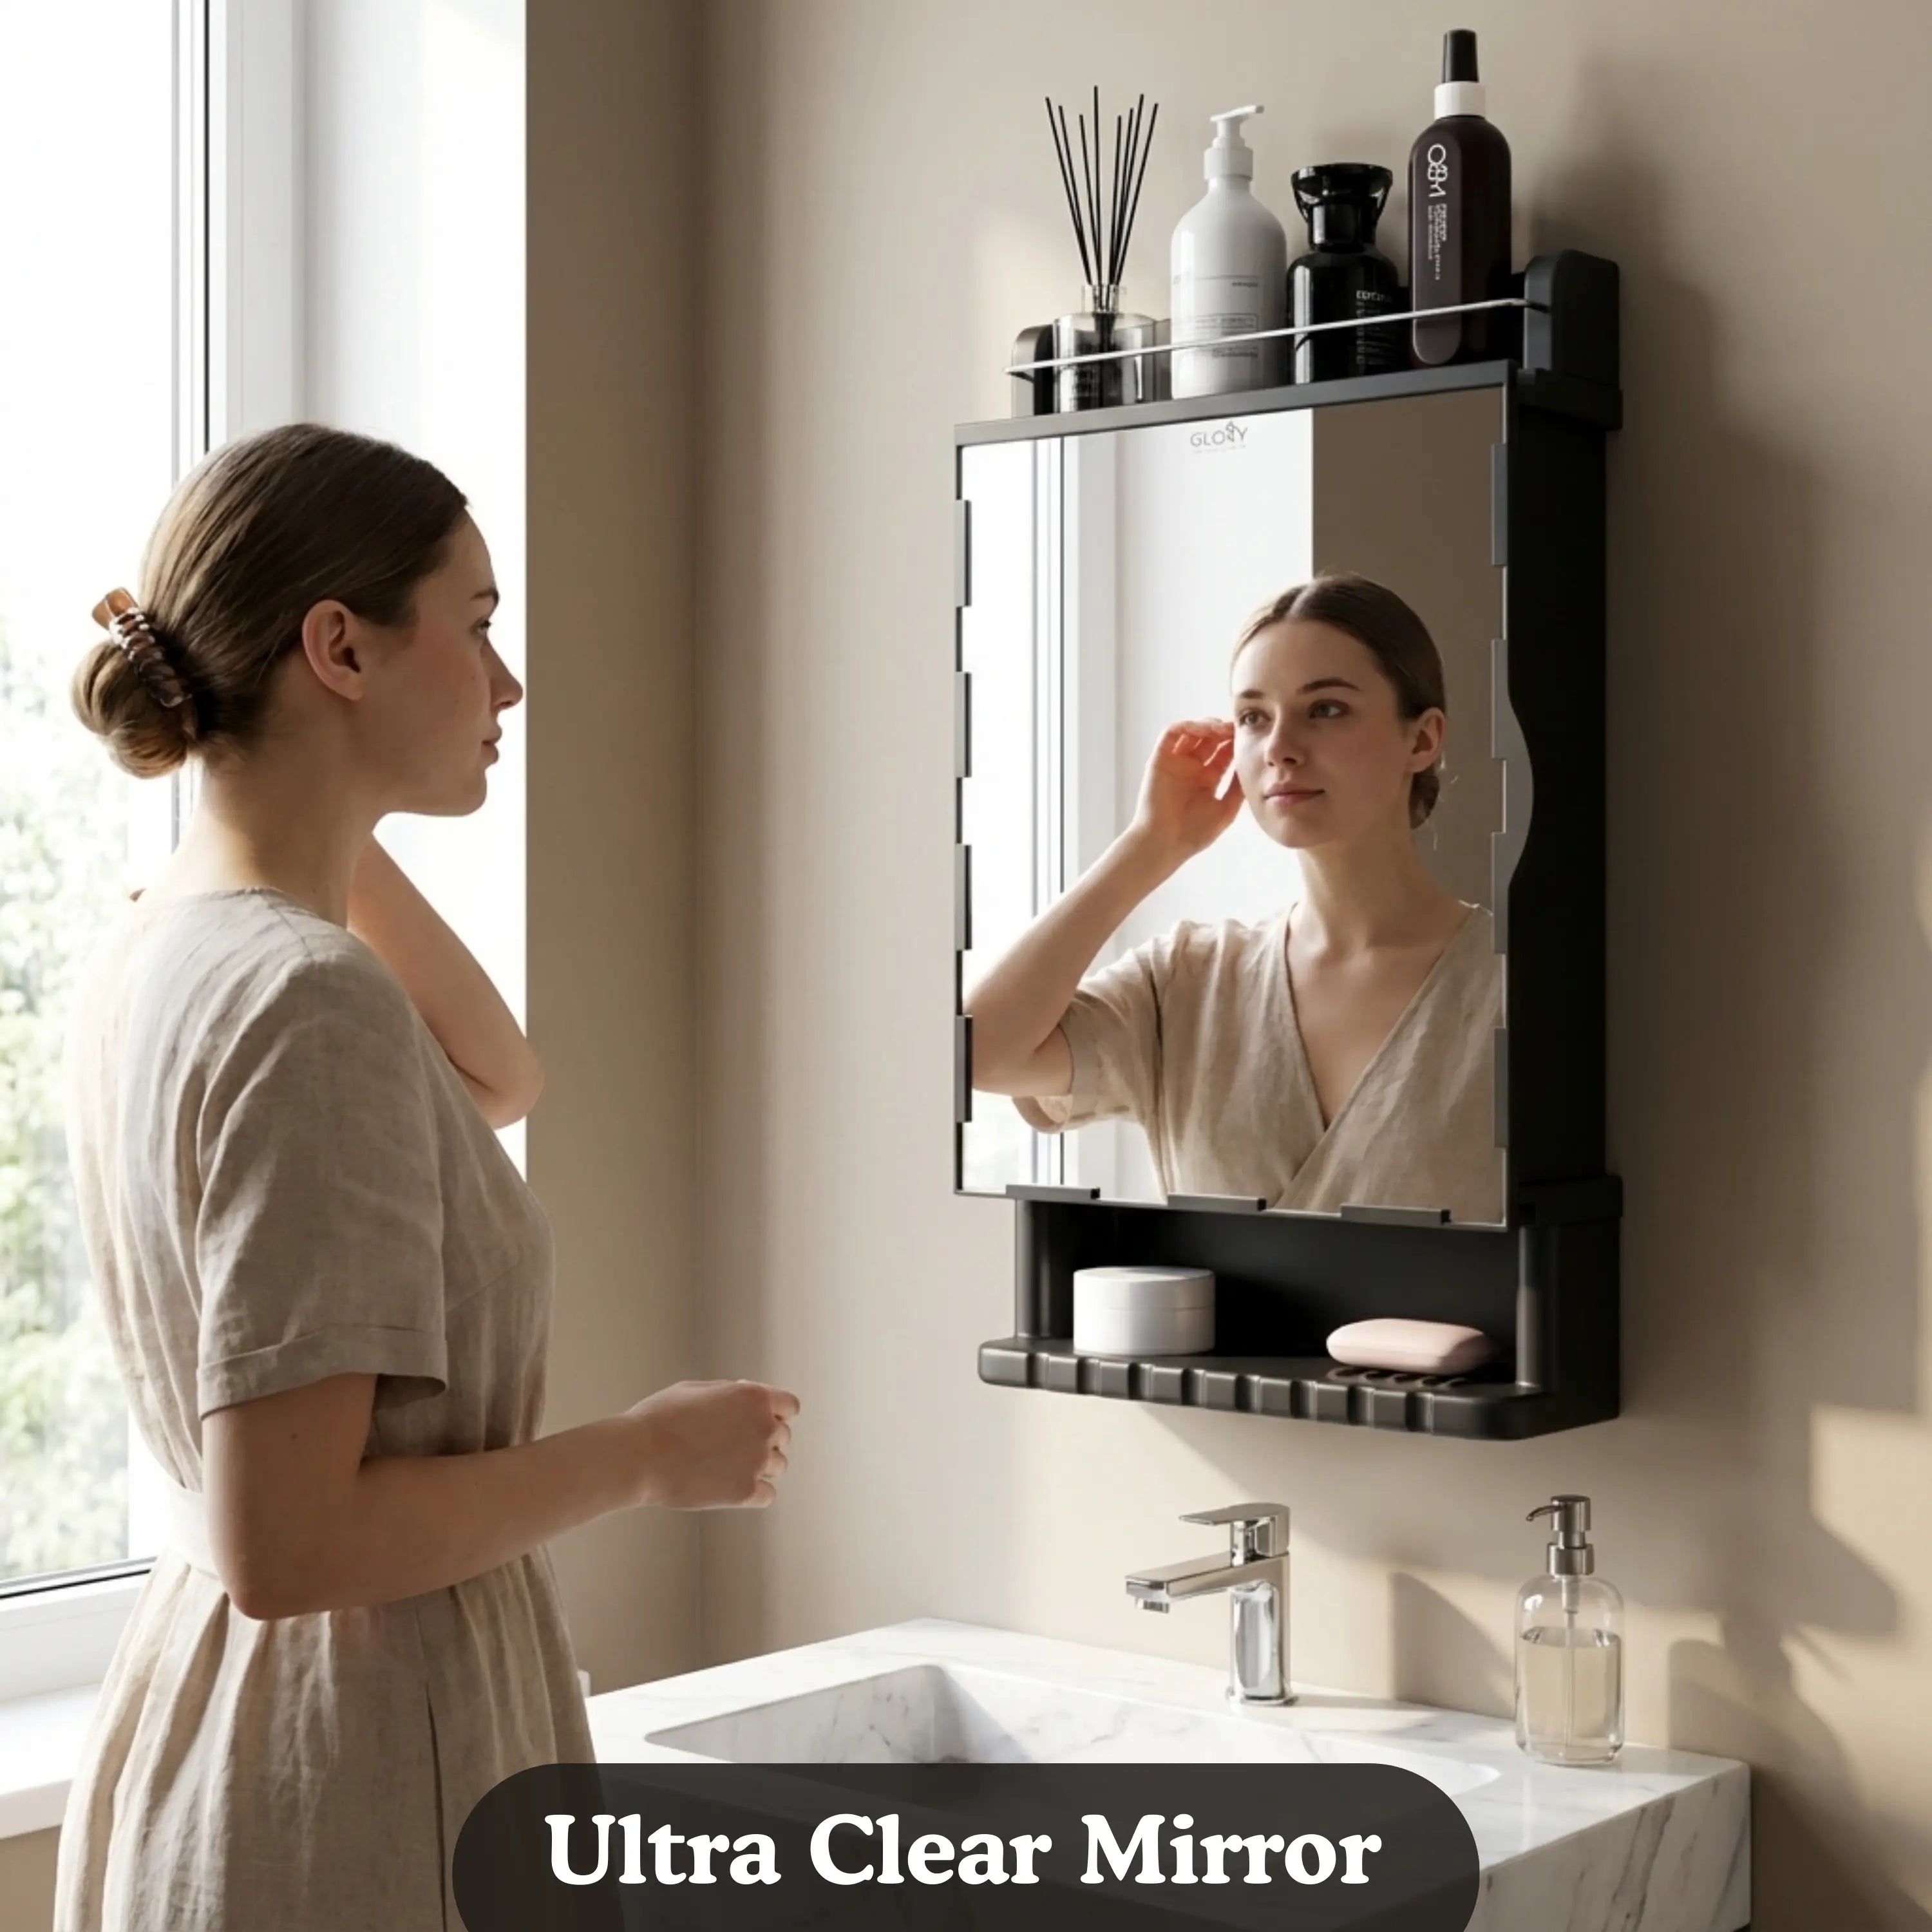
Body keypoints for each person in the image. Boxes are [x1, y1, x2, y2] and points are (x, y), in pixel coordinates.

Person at [54, 422, 799, 1932]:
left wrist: (317, 815)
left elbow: (502, 1078)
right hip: (361, 1763)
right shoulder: (303, 994)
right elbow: (298, 1542)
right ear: (339, 645)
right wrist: (647, 1454)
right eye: (476, 626)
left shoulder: (170, 939)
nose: (507, 683)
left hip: (217, 1724)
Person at [965, 572, 1502, 1222]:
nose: (1280, 748)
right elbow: (980, 1052)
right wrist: (1151, 846)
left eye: (1325, 710)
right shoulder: (1188, 982)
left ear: (1422, 739)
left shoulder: (1512, 986)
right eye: (1253, 717)